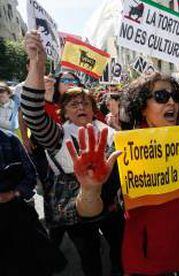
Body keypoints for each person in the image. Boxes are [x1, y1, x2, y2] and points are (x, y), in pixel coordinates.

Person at [70, 72, 179, 275]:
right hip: (151, 263)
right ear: (142, 108)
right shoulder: (127, 150)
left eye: (175, 96)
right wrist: (90, 189)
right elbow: (88, 212)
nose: (171, 101)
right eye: (161, 96)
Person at [21, 30, 124, 275]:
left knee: (119, 247)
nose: (81, 107)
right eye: (73, 104)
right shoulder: (56, 135)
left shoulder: (108, 131)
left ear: (92, 108)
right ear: (64, 113)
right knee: (90, 256)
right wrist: (37, 64)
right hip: (76, 213)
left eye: (86, 103)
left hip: (110, 208)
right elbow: (33, 113)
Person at [0, 128, 67, 275]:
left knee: (37, 264)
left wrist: (13, 193)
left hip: (18, 213)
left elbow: (30, 175)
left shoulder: (10, 140)